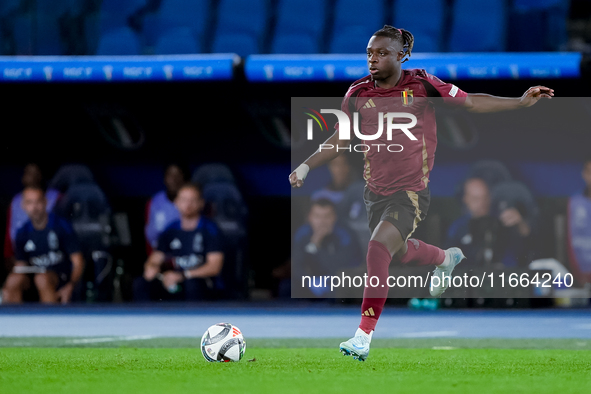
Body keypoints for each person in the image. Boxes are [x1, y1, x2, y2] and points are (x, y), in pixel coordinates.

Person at [289, 25, 553, 361]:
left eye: (382, 52)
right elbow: (340, 140)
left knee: (377, 250)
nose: (373, 59)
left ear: (402, 55)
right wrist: (307, 166)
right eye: (370, 52)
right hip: (375, 193)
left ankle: (362, 336)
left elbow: (471, 103)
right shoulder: (356, 93)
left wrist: (519, 103)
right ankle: (445, 258)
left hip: (410, 192)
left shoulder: (423, 84)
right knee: (395, 254)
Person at [134, 183, 224, 301]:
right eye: (184, 200)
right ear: (176, 202)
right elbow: (155, 258)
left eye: (192, 200)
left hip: (201, 282)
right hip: (175, 280)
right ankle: (145, 318)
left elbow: (214, 267)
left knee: (192, 284)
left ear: (201, 203)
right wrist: (152, 268)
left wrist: (183, 275)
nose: (188, 204)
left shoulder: (210, 229)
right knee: (141, 283)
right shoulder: (171, 230)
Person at [1, 185, 84, 304]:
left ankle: (52, 318)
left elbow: (78, 261)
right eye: (29, 203)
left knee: (42, 278)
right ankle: (13, 320)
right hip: (33, 279)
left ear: (45, 202)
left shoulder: (61, 226)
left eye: (38, 202)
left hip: (59, 278)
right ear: (23, 206)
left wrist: (71, 285)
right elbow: (21, 265)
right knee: (13, 280)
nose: (34, 207)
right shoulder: (22, 232)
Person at [446, 177, 533, 267]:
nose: (482, 203)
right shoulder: (458, 228)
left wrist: (522, 226)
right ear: (465, 199)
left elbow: (524, 254)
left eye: (485, 197)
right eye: (476, 199)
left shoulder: (503, 222)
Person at [289, 198, 362, 298]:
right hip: (311, 282)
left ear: (334, 218)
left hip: (338, 281)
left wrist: (318, 247)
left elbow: (342, 267)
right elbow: (297, 265)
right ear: (310, 217)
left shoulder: (345, 235)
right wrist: (309, 280)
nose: (322, 222)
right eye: (317, 216)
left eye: (327, 216)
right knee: (289, 287)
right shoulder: (302, 234)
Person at [4, 164, 60, 269]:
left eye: (35, 172)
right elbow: (9, 235)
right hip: (22, 256)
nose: (34, 208)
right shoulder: (16, 201)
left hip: (51, 257)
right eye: (28, 172)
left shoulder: (57, 198)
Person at [144, 163, 188, 255]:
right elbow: (150, 235)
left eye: (178, 175)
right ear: (164, 178)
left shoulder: (191, 201)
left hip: (187, 255)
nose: (174, 179)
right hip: (161, 255)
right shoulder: (155, 201)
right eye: (170, 175)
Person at [567, 158, 591, 284]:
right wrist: (577, 273)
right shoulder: (575, 202)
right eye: (590, 172)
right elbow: (570, 240)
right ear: (584, 174)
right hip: (580, 274)